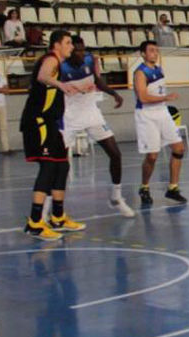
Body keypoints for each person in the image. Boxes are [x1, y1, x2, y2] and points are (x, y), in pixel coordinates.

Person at [20, 30, 85, 240]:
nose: (71, 46)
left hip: (51, 123)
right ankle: (35, 222)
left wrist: (75, 87)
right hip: (38, 122)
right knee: (48, 166)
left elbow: (52, 87)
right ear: (56, 45)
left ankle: (58, 217)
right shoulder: (51, 59)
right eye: (67, 43)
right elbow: (42, 77)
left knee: (61, 165)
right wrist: (61, 85)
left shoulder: (59, 65)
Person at [59, 36, 134, 217]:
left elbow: (97, 80)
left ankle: (116, 197)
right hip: (69, 116)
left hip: (91, 113)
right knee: (59, 165)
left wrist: (113, 93)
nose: (81, 53)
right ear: (70, 51)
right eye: (77, 49)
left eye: (83, 49)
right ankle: (52, 208)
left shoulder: (89, 59)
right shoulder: (61, 66)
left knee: (115, 154)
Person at [134, 41, 187, 205]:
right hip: (147, 114)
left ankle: (173, 188)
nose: (155, 53)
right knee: (152, 156)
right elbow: (142, 97)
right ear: (143, 53)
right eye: (151, 50)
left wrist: (163, 100)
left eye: (156, 50)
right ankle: (144, 187)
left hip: (162, 112)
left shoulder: (159, 69)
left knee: (179, 148)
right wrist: (165, 98)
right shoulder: (140, 73)